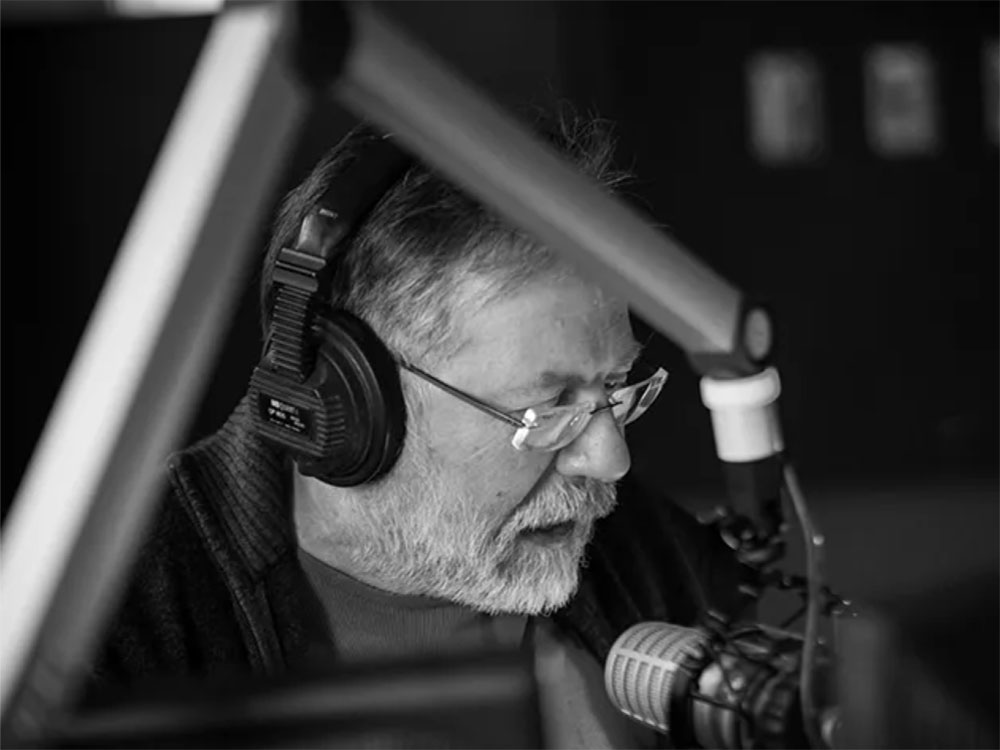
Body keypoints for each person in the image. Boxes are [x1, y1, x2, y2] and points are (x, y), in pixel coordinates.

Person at [85, 107, 753, 747]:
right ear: (350, 403)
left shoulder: (645, 552)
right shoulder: (107, 623)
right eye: (548, 410)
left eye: (614, 389)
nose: (611, 461)